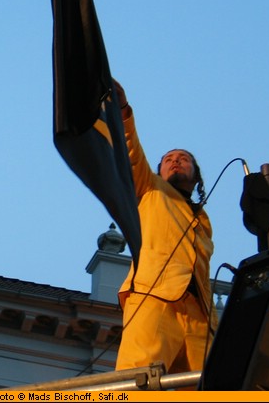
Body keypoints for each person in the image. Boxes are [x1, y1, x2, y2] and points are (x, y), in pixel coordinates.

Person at [112, 79, 218, 375]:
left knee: (208, 388)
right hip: (155, 296)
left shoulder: (203, 220)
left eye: (184, 160)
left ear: (197, 177)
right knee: (139, 377)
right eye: (169, 159)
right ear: (158, 170)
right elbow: (130, 154)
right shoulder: (151, 188)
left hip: (200, 317)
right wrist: (122, 110)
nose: (176, 162)